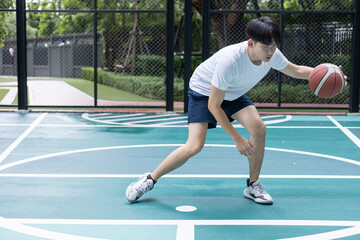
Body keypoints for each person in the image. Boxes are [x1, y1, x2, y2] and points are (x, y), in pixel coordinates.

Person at [125, 16, 341, 205]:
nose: (270, 52)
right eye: (265, 47)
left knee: (259, 127)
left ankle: (253, 185)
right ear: (251, 43)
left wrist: (331, 73)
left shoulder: (272, 53)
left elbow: (296, 70)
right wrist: (237, 138)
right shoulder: (230, 61)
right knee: (194, 146)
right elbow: (214, 105)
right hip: (204, 92)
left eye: (274, 46)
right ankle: (149, 179)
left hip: (233, 93)